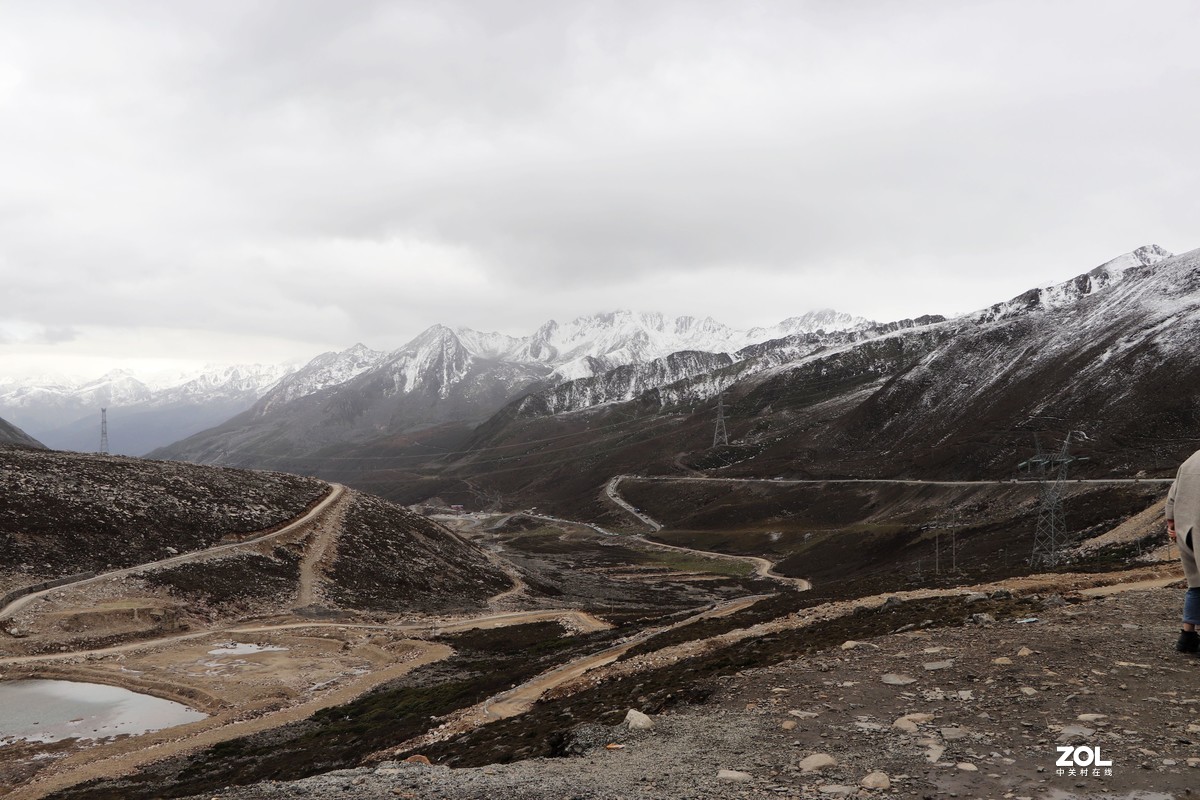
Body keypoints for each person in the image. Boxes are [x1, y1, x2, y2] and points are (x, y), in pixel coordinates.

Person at [1166, 449, 1200, 653]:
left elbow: (1172, 495)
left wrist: (1171, 521)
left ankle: (1187, 637)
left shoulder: (1191, 460)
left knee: (1196, 583)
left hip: (1186, 530)